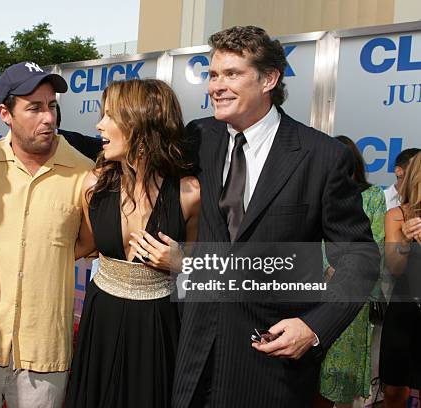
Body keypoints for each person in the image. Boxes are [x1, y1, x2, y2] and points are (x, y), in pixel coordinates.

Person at [172, 25, 379, 407]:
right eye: (213, 74)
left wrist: (314, 327)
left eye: (232, 74)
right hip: (194, 357)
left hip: (270, 363)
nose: (215, 86)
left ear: (269, 79)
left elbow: (359, 258)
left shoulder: (322, 156)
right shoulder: (200, 137)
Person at [0, 61, 94, 408]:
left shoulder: (84, 172)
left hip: (45, 352)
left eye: (51, 106)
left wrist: (46, 253)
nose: (47, 118)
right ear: (5, 113)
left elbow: (88, 241)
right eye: (34, 108)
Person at [65, 79, 201, 407]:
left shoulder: (189, 194)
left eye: (110, 116)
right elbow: (80, 247)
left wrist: (182, 262)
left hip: (158, 325)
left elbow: (202, 271)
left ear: (141, 123)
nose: (99, 125)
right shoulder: (93, 185)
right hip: (101, 319)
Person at [314, 135, 386, 408]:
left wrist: (341, 273)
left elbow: (374, 244)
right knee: (311, 377)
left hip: (350, 298)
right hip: (312, 293)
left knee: (340, 383)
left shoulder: (373, 197)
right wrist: (322, 270)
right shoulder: (314, 192)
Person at [380, 152, 421, 408]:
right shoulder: (397, 215)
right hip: (404, 310)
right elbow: (394, 268)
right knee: (394, 389)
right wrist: (404, 241)